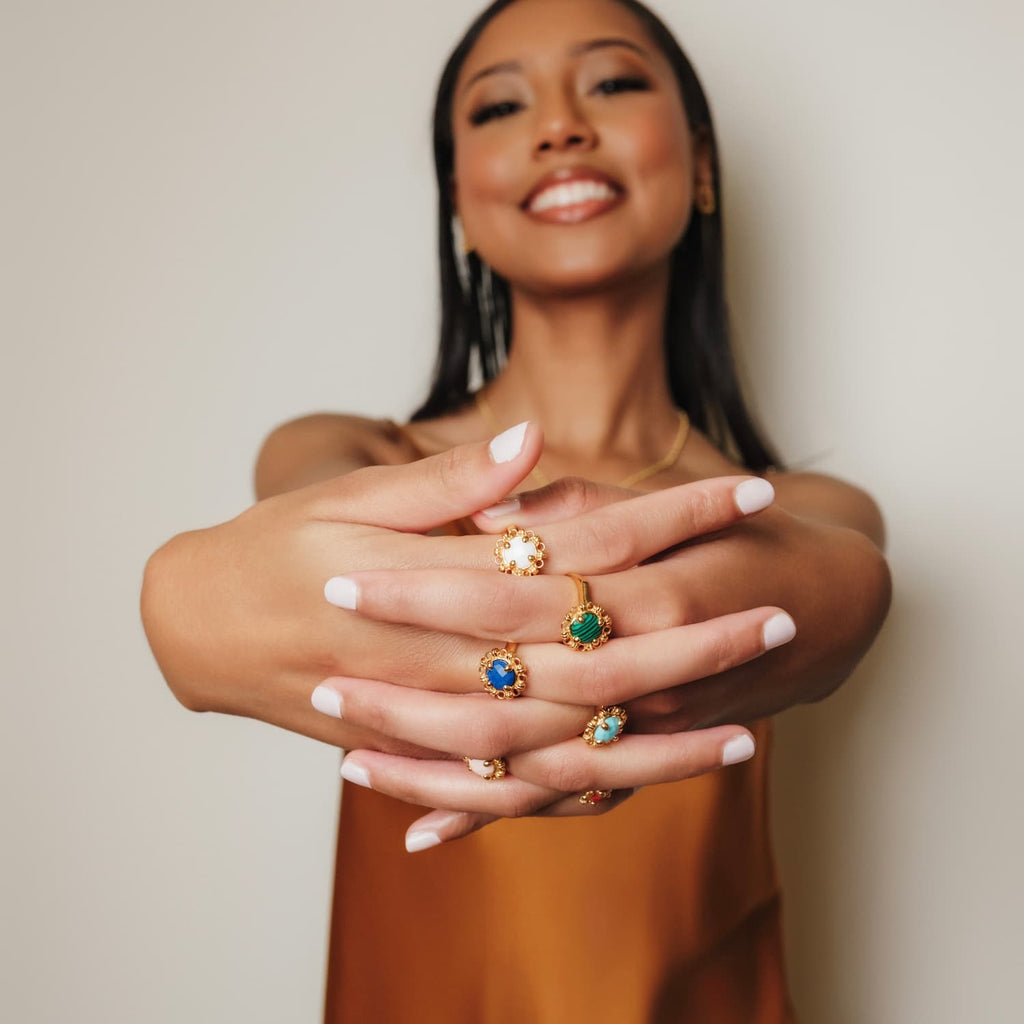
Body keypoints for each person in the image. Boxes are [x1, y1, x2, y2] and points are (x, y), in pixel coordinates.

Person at [141, 0, 891, 1020]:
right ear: (458, 196)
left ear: (703, 165)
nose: (560, 126)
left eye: (612, 83)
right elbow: (235, 590)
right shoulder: (345, 458)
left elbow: (851, 584)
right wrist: (178, 598)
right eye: (501, 107)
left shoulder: (796, 510)